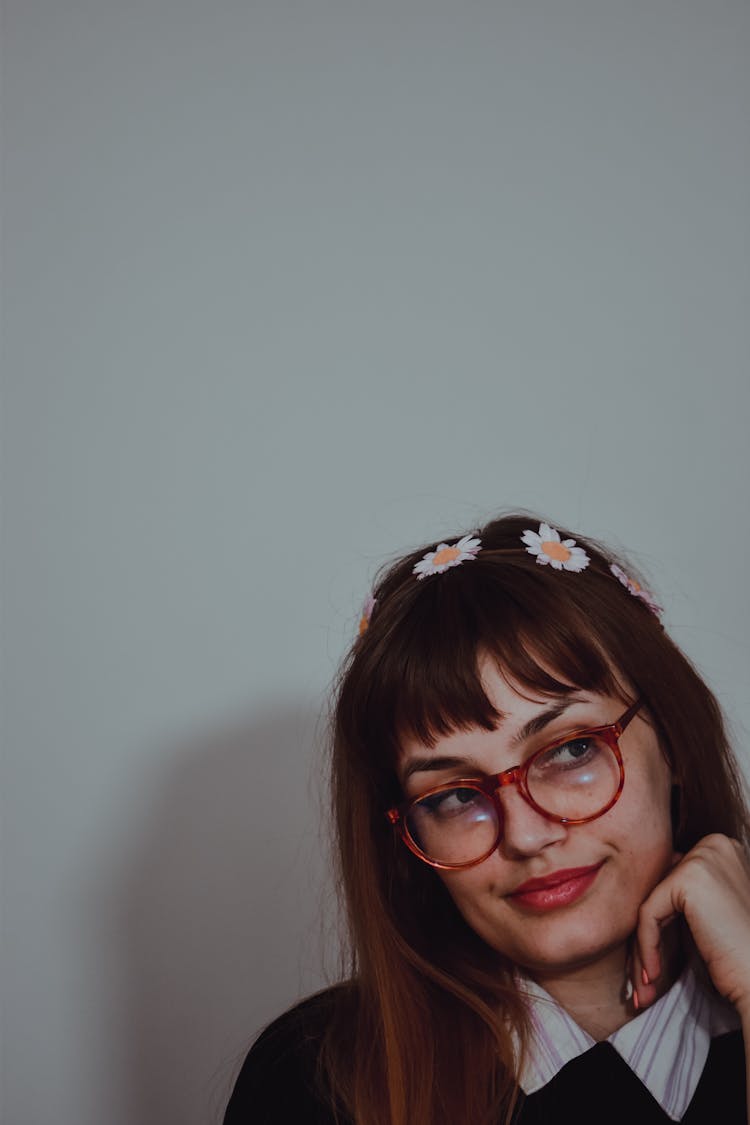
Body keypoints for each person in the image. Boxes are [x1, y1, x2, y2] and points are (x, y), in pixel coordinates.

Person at [223, 513, 750, 1125]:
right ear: (404, 833)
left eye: (570, 749)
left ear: (675, 743)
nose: (526, 835)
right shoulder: (314, 1080)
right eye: (454, 796)